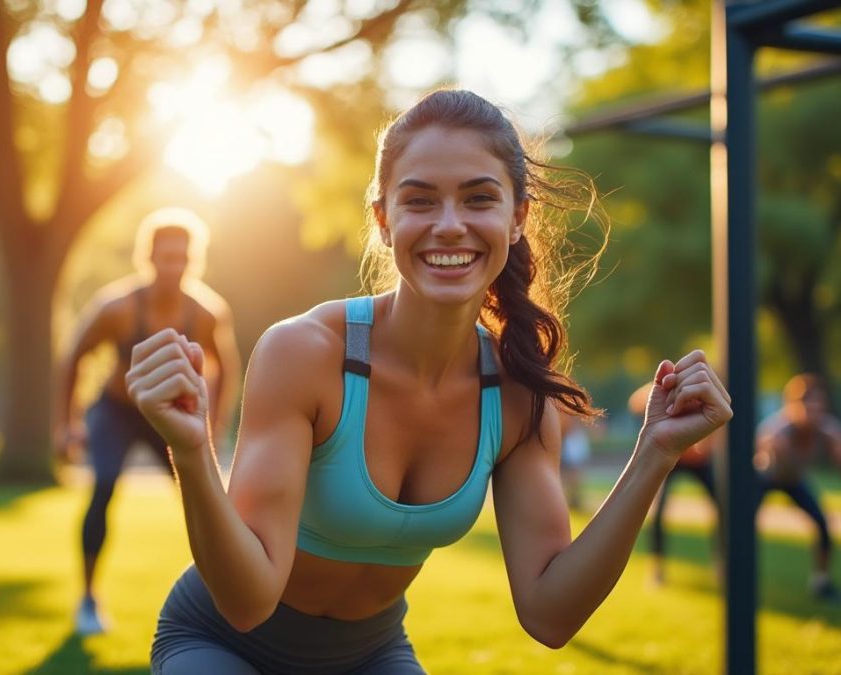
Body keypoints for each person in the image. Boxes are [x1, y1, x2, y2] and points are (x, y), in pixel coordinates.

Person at [126, 89, 733, 673]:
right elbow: (247, 600)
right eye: (419, 201)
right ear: (384, 220)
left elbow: (551, 614)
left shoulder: (518, 393)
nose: (449, 225)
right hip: (221, 642)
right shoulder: (305, 353)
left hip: (369, 653)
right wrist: (190, 447)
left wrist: (655, 453)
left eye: (478, 199)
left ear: (517, 218)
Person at [54, 207, 242, 635]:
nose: (173, 266)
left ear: (193, 259)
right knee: (102, 486)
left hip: (173, 415)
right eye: (165, 256)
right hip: (117, 411)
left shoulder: (207, 313)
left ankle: (224, 598)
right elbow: (73, 357)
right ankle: (87, 599)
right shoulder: (116, 308)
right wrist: (65, 424)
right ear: (149, 257)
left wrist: (214, 424)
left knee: (205, 501)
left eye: (182, 257)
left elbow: (226, 367)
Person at [755, 373, 841, 601]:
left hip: (794, 480)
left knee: (822, 523)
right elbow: (763, 446)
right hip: (766, 477)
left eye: (818, 406)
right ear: (793, 406)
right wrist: (773, 449)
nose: (813, 412)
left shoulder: (826, 430)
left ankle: (821, 581)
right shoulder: (778, 430)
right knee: (743, 525)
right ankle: (736, 572)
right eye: (808, 405)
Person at [629, 382, 718, 585]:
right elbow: (634, 403)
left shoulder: (701, 394)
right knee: (658, 511)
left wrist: (706, 446)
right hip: (673, 458)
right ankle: (657, 567)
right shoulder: (665, 391)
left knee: (722, 507)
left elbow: (717, 424)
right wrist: (652, 392)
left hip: (698, 460)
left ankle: (720, 563)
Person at [559, 411, 592, 512]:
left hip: (574, 451)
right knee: (570, 479)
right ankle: (572, 500)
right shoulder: (568, 432)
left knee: (574, 479)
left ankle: (574, 500)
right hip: (570, 453)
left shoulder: (576, 434)